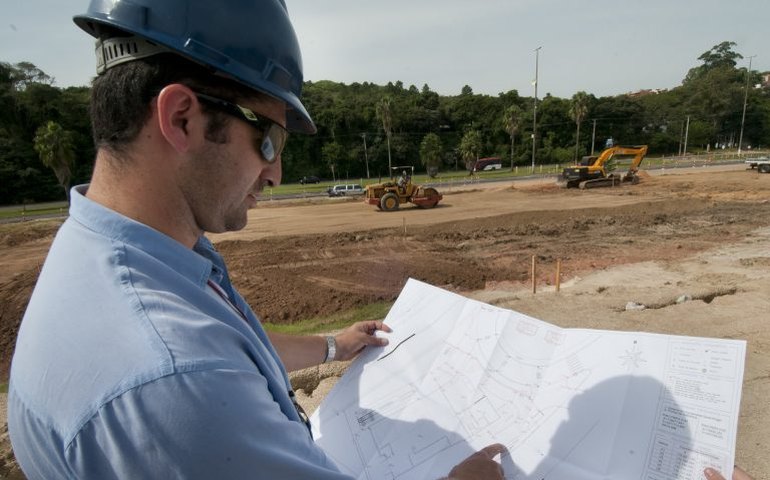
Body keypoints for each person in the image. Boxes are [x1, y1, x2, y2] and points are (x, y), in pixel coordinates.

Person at [7, 1, 504, 479]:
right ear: (182, 118)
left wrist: (334, 345)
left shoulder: (103, 253)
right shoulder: (174, 379)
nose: (275, 172)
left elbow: (232, 350)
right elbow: (199, 372)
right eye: (269, 138)